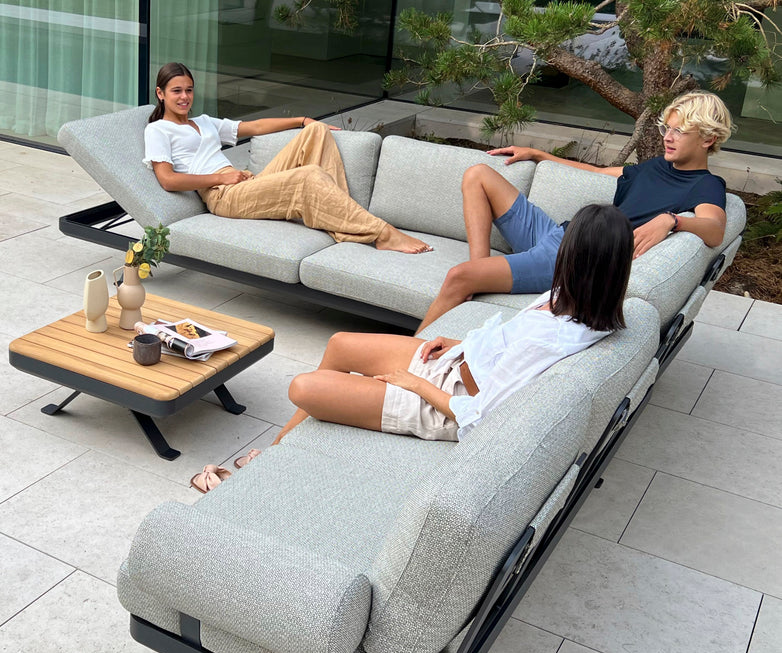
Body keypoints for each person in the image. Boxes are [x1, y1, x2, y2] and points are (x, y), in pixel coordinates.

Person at [270, 203, 633, 448]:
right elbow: (509, 348)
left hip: (448, 407)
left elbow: (480, 418)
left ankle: (269, 456)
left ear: (573, 259)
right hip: (455, 364)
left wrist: (415, 385)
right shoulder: (566, 299)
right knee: (339, 344)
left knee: (303, 387)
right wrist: (459, 343)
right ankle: (274, 450)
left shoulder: (554, 338)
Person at [416, 90, 734, 332]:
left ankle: (411, 355)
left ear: (709, 139)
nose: (667, 136)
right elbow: (595, 172)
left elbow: (714, 228)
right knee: (478, 174)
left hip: (575, 258)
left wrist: (671, 220)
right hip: (560, 234)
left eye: (680, 131)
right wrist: (539, 154)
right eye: (667, 127)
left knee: (458, 277)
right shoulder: (654, 168)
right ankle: (481, 269)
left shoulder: (705, 185)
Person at [143, 62, 431, 254]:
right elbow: (167, 179)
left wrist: (302, 119)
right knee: (309, 175)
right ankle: (381, 233)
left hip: (245, 183)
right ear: (161, 94)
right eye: (176, 91)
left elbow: (253, 127)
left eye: (189, 90)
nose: (184, 97)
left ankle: (341, 216)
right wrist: (222, 177)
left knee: (316, 130)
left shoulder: (204, 121)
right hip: (223, 195)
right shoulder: (158, 129)